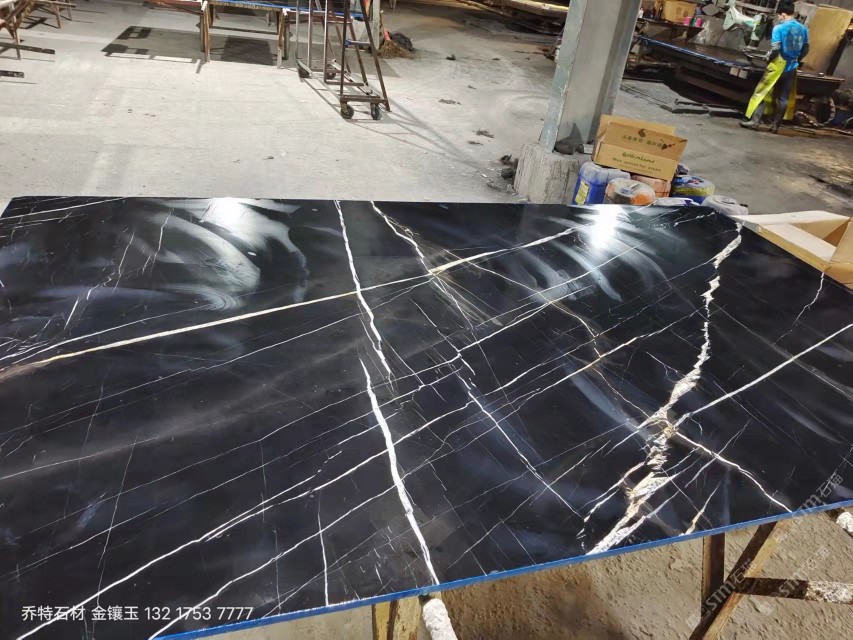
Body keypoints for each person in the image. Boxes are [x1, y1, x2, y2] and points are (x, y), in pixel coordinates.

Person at [740, 0, 810, 133]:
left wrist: (768, 58)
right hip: (792, 65)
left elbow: (776, 48)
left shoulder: (779, 28)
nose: (779, 18)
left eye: (779, 15)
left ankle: (754, 122)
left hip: (778, 63)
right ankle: (775, 126)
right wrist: (797, 59)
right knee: (783, 97)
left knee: (761, 92)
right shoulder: (803, 28)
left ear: (782, 14)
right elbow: (806, 48)